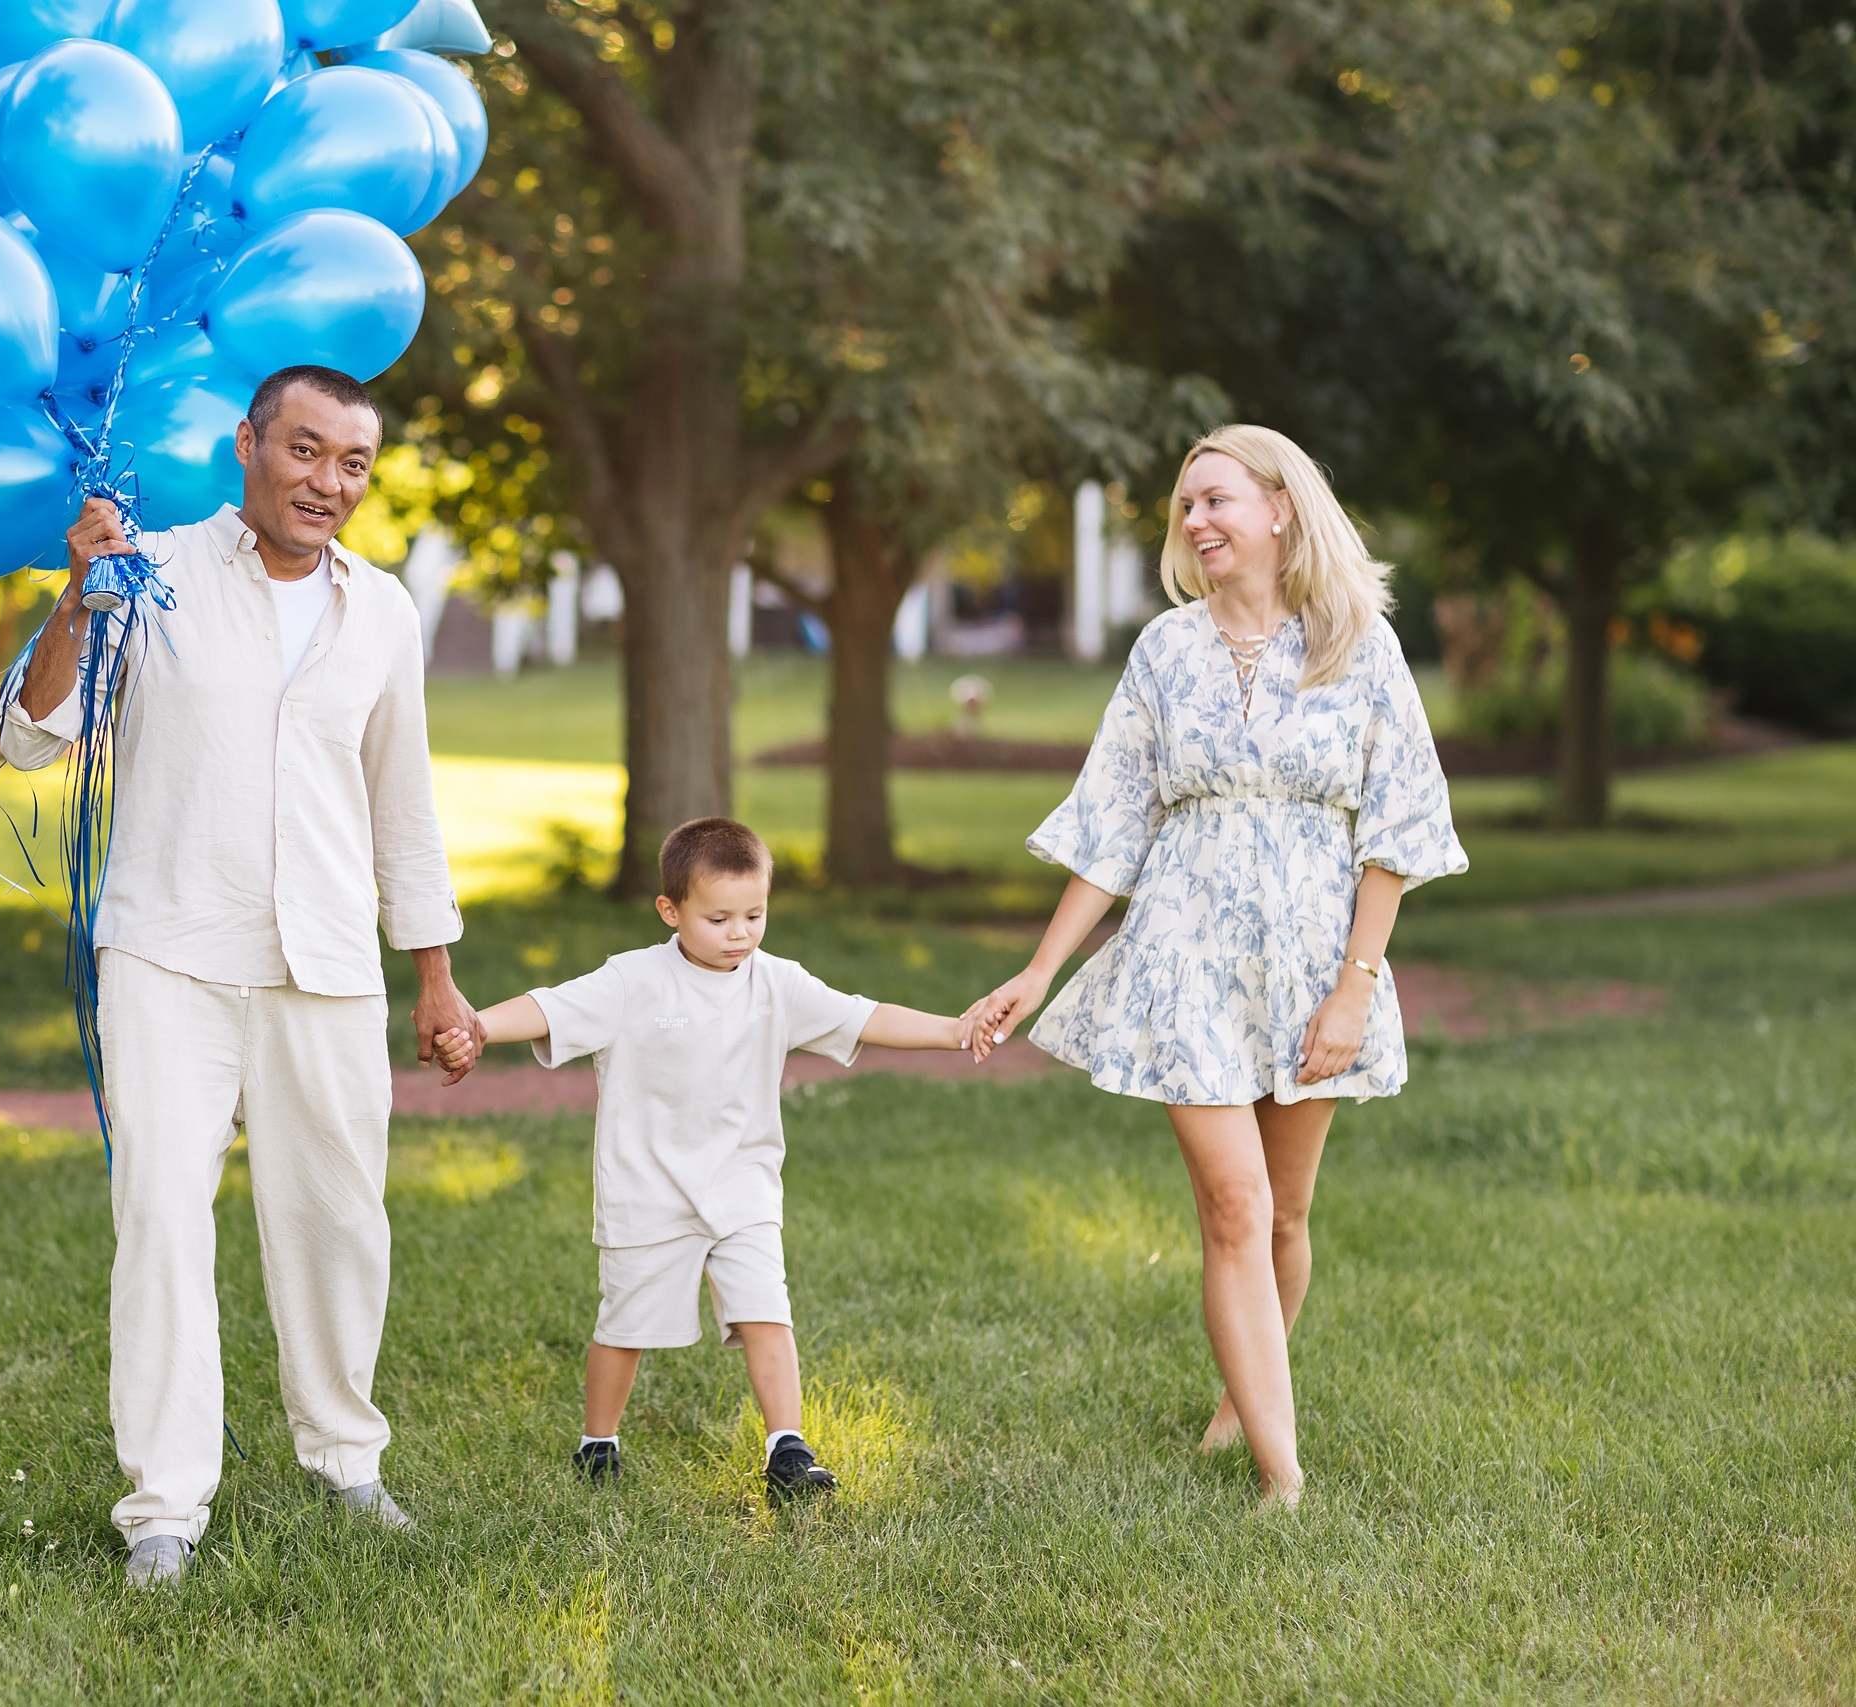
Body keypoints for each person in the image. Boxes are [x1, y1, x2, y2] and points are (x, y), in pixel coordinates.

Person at [0, 365, 487, 1589]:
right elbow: (26, 734)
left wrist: (434, 976)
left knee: (338, 1226)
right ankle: (164, 1508)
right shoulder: (148, 572)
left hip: (324, 961)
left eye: (354, 463)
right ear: (247, 446)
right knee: (160, 1217)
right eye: (306, 451)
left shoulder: (382, 614)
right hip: (168, 948)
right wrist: (75, 597)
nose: (329, 482)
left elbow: (403, 806)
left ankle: (345, 1461)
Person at [965, 424, 1467, 1507]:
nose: (1194, 522)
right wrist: (1041, 969)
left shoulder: (1358, 645)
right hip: (1183, 958)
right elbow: (1112, 822)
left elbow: (1400, 827)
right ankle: (1282, 1474)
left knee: (1285, 1216)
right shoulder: (1165, 651)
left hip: (1313, 965)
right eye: (1184, 507)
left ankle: (1243, 1398)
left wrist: (1356, 986)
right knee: (1233, 1210)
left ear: (1280, 508)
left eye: (1215, 500)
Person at [433, 817, 979, 1499]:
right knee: (623, 1325)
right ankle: (597, 1442)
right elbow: (546, 1008)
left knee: (765, 1310)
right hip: (648, 1190)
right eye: (719, 917)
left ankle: (788, 1447)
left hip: (742, 1187)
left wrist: (954, 1031)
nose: (741, 932)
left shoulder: (777, 984)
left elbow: (864, 1016)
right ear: (671, 909)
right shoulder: (634, 980)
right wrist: (476, 1027)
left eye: (755, 913)